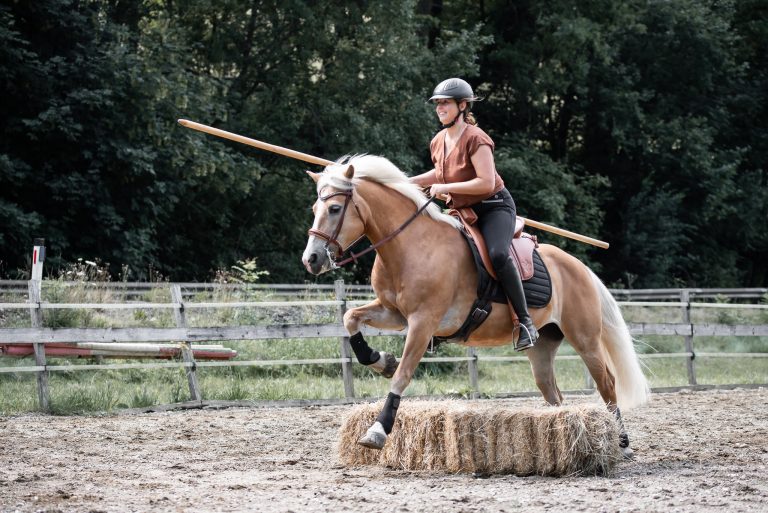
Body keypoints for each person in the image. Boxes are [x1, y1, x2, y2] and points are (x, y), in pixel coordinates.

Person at [410, 78, 538, 351]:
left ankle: (525, 322)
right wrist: (406, 182)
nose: (439, 108)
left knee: (498, 255)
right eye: (437, 104)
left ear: (462, 105)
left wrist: (445, 187)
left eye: (445, 103)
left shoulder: (477, 139)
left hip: (494, 207)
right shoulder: (438, 140)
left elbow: (486, 182)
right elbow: (440, 174)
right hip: (463, 210)